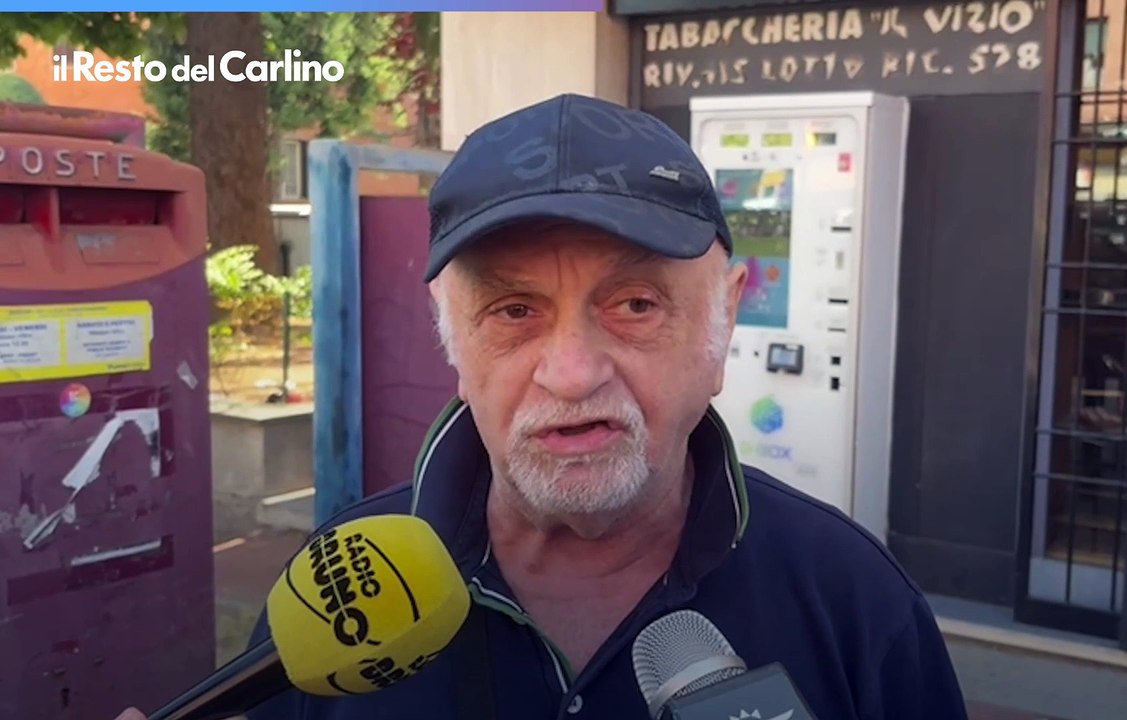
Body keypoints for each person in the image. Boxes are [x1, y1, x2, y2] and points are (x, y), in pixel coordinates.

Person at [115, 93, 968, 720]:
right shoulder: (340, 590)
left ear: (725, 320)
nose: (569, 374)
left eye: (635, 304)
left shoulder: (856, 603)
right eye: (513, 311)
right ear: (451, 338)